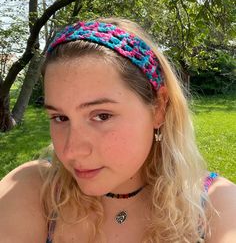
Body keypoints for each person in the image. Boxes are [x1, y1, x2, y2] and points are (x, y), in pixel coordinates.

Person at [0, 18, 235, 243]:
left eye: (102, 116)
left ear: (159, 108)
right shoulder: (35, 191)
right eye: (60, 117)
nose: (72, 151)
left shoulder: (215, 207)